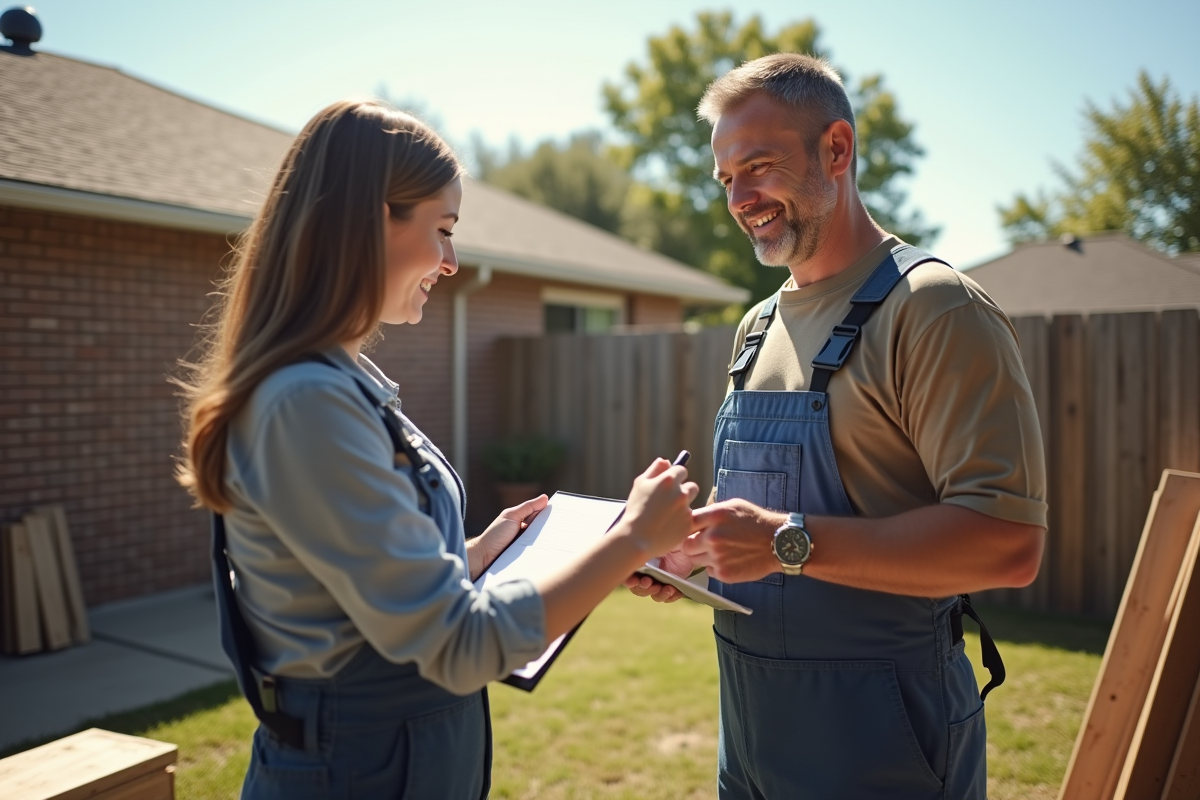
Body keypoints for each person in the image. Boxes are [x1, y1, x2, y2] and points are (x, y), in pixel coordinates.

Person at [177, 99, 699, 799]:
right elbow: (457, 645)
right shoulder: (308, 404)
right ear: (368, 223)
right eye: (443, 229)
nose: (452, 262)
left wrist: (474, 552)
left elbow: (374, 587)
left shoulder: (342, 384)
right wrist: (630, 541)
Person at [627, 54, 1047, 799]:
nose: (741, 198)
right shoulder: (757, 327)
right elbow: (753, 534)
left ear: (837, 149)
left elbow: (1008, 546)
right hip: (751, 736)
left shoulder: (935, 307)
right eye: (727, 178)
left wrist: (786, 542)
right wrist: (690, 556)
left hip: (882, 744)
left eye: (759, 165)